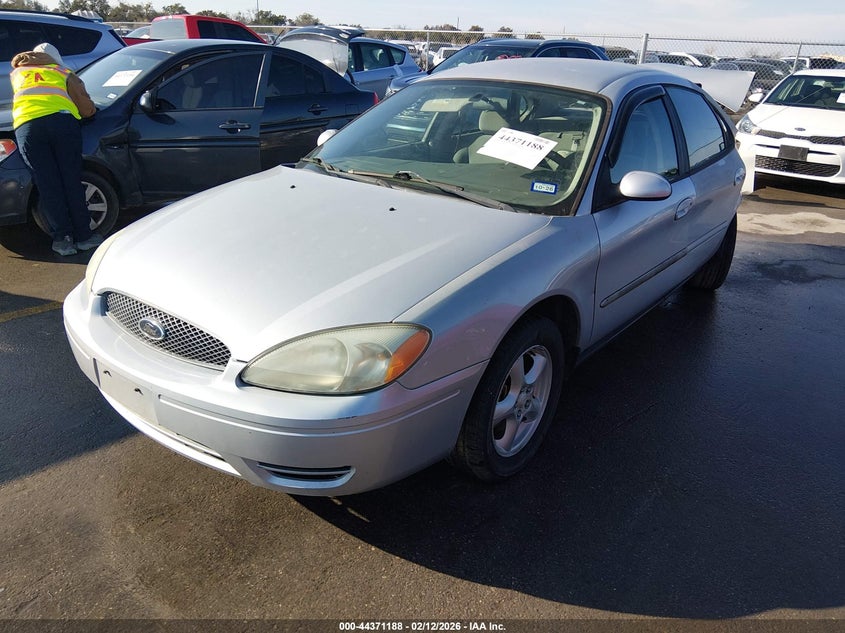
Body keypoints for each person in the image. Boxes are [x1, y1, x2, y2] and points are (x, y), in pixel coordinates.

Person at [10, 42, 101, 256]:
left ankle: (63, 240)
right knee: (70, 180)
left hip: (28, 127)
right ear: (56, 59)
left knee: (48, 184)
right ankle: (85, 238)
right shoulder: (63, 72)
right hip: (62, 125)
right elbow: (87, 109)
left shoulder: (17, 73)